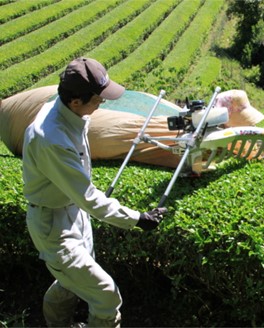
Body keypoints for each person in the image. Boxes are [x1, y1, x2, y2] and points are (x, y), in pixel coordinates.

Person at [22, 57, 167, 327]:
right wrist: (137, 219)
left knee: (69, 282)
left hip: (72, 213)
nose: (102, 103)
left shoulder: (67, 111)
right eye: (98, 99)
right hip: (54, 226)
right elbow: (88, 197)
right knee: (106, 296)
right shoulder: (50, 138)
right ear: (76, 100)